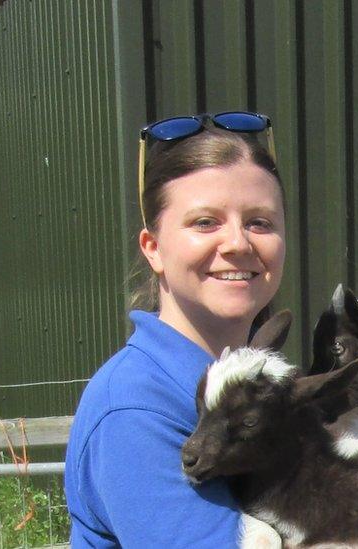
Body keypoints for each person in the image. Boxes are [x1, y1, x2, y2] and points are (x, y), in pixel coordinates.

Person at [64, 112, 286, 547]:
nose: (239, 242)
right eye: (205, 222)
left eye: (260, 221)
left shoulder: (255, 382)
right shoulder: (136, 409)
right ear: (154, 249)